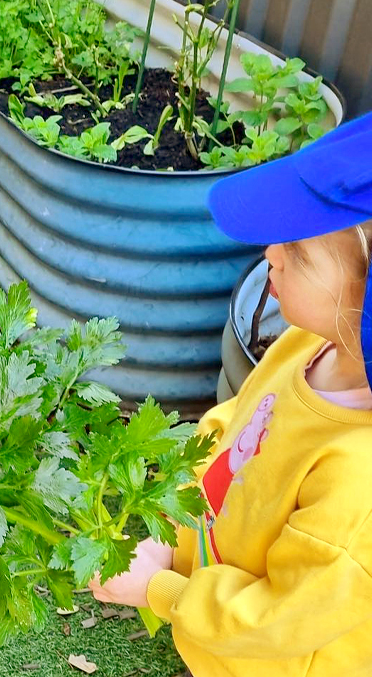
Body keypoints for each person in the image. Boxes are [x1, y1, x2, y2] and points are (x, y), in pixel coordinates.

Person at [89, 112, 372, 676]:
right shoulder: (308, 343)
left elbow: (272, 620)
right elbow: (234, 423)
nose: (272, 252)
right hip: (217, 636)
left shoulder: (357, 488)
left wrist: (161, 591)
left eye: (300, 249)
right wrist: (173, 526)